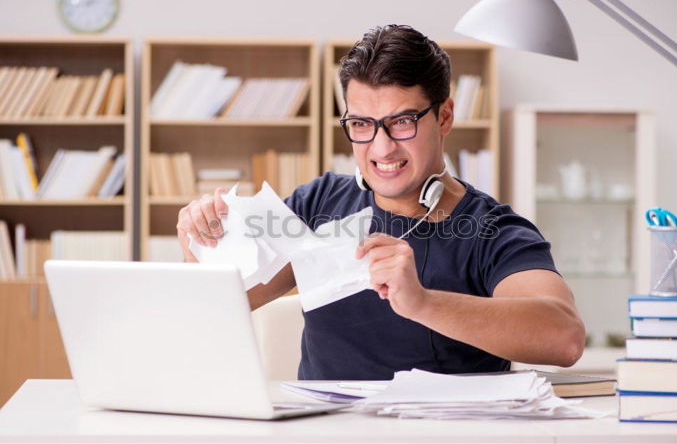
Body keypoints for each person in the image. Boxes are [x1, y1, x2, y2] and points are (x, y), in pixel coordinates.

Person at [176, 24, 585, 380]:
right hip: (325, 440)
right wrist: (199, 240)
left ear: (444, 117)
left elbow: (563, 338)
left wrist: (423, 302)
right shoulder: (319, 203)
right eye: (361, 125)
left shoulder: (491, 229)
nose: (381, 148)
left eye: (402, 122)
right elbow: (218, 304)